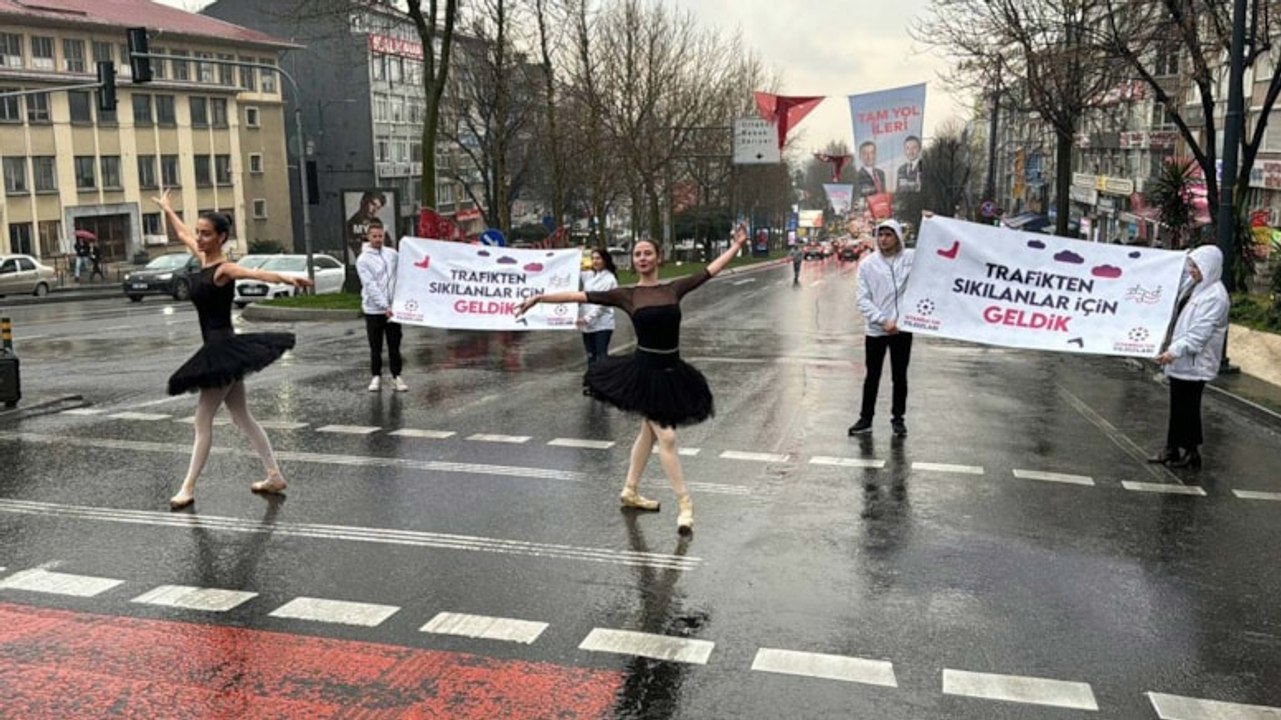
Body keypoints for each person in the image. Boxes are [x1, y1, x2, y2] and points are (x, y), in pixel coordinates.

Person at [516, 227, 752, 534]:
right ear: (633, 261)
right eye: (637, 254)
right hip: (644, 374)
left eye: (647, 253)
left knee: (649, 435)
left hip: (672, 371)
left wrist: (737, 246)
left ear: (658, 257)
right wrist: (539, 298)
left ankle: (630, 490)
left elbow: (710, 270)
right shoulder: (627, 295)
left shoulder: (674, 289)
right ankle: (685, 505)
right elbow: (579, 295)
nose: (642, 258)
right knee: (666, 437)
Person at [153, 189, 313, 510]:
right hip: (218, 350)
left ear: (221, 237)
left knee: (203, 420)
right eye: (199, 232)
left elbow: (254, 273)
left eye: (206, 234)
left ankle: (187, 487)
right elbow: (182, 233)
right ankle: (274, 475)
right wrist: (169, 209)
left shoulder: (223, 270)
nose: (199, 238)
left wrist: (288, 278)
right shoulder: (201, 260)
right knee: (241, 417)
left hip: (223, 349)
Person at [1148, 245, 1229, 469]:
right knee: (1177, 404)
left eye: (1196, 266)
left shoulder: (1215, 297)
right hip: (1182, 358)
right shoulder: (1194, 286)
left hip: (1195, 362)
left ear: (1209, 267)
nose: (1191, 270)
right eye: (1191, 265)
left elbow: (1198, 335)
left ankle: (1192, 452)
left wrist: (1173, 352)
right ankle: (1172, 448)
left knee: (1188, 407)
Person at [849, 219, 915, 437]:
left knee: (899, 376)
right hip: (877, 330)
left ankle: (898, 418)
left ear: (897, 237)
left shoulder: (910, 259)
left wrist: (931, 221)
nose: (884, 239)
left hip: (901, 329)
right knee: (872, 376)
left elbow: (935, 261)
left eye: (889, 234)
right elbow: (862, 298)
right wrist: (882, 320)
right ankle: (865, 418)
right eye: (881, 234)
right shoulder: (868, 264)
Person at [356, 219, 407, 392]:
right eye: (374, 236)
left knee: (394, 345)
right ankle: (376, 376)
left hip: (393, 309)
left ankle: (397, 376)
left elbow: (404, 272)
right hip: (374, 310)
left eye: (380, 236)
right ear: (368, 237)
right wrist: (384, 305)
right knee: (375, 346)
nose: (378, 239)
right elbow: (370, 285)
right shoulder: (363, 260)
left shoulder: (392, 254)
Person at [578, 247, 619, 395]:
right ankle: (592, 384)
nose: (595, 261)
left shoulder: (610, 280)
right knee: (590, 355)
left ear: (605, 260)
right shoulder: (590, 276)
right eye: (593, 258)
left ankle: (603, 385)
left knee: (601, 355)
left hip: (602, 324)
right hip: (586, 324)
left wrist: (588, 318)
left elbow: (604, 304)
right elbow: (574, 269)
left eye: (598, 258)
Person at [345, 190, 387, 261]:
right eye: (373, 204)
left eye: (378, 208)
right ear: (363, 202)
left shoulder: (378, 224)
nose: (374, 210)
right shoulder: (349, 226)